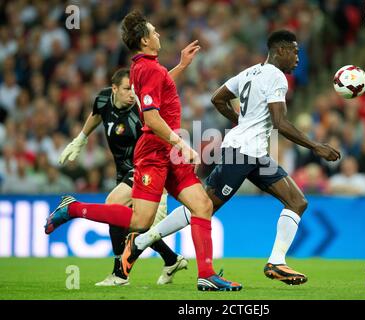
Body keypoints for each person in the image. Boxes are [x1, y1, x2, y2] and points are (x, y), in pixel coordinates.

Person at [45, 11, 242, 292]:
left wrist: (181, 66)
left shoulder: (147, 67)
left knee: (202, 206)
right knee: (141, 221)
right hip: (155, 151)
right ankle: (74, 209)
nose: (159, 34)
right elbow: (150, 118)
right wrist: (182, 144)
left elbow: (159, 86)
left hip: (166, 150)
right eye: (154, 31)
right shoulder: (147, 68)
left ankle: (207, 275)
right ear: (144, 40)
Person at [129, 30, 341, 285]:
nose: (298, 57)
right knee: (204, 207)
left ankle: (276, 262)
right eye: (295, 52)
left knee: (297, 201)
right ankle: (141, 241)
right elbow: (280, 122)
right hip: (240, 153)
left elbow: (218, 99)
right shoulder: (277, 78)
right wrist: (316, 146)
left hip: (254, 153)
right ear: (281, 51)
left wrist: (242, 122)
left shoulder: (250, 72)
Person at [58, 64, 197, 286]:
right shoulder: (103, 99)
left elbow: (160, 84)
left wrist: (180, 67)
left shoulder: (139, 110)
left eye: (134, 89)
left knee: (114, 206)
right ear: (114, 89)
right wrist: (81, 139)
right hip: (125, 173)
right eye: (126, 89)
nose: (132, 94)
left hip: (146, 170)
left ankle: (118, 273)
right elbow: (95, 116)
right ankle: (171, 259)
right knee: (136, 226)